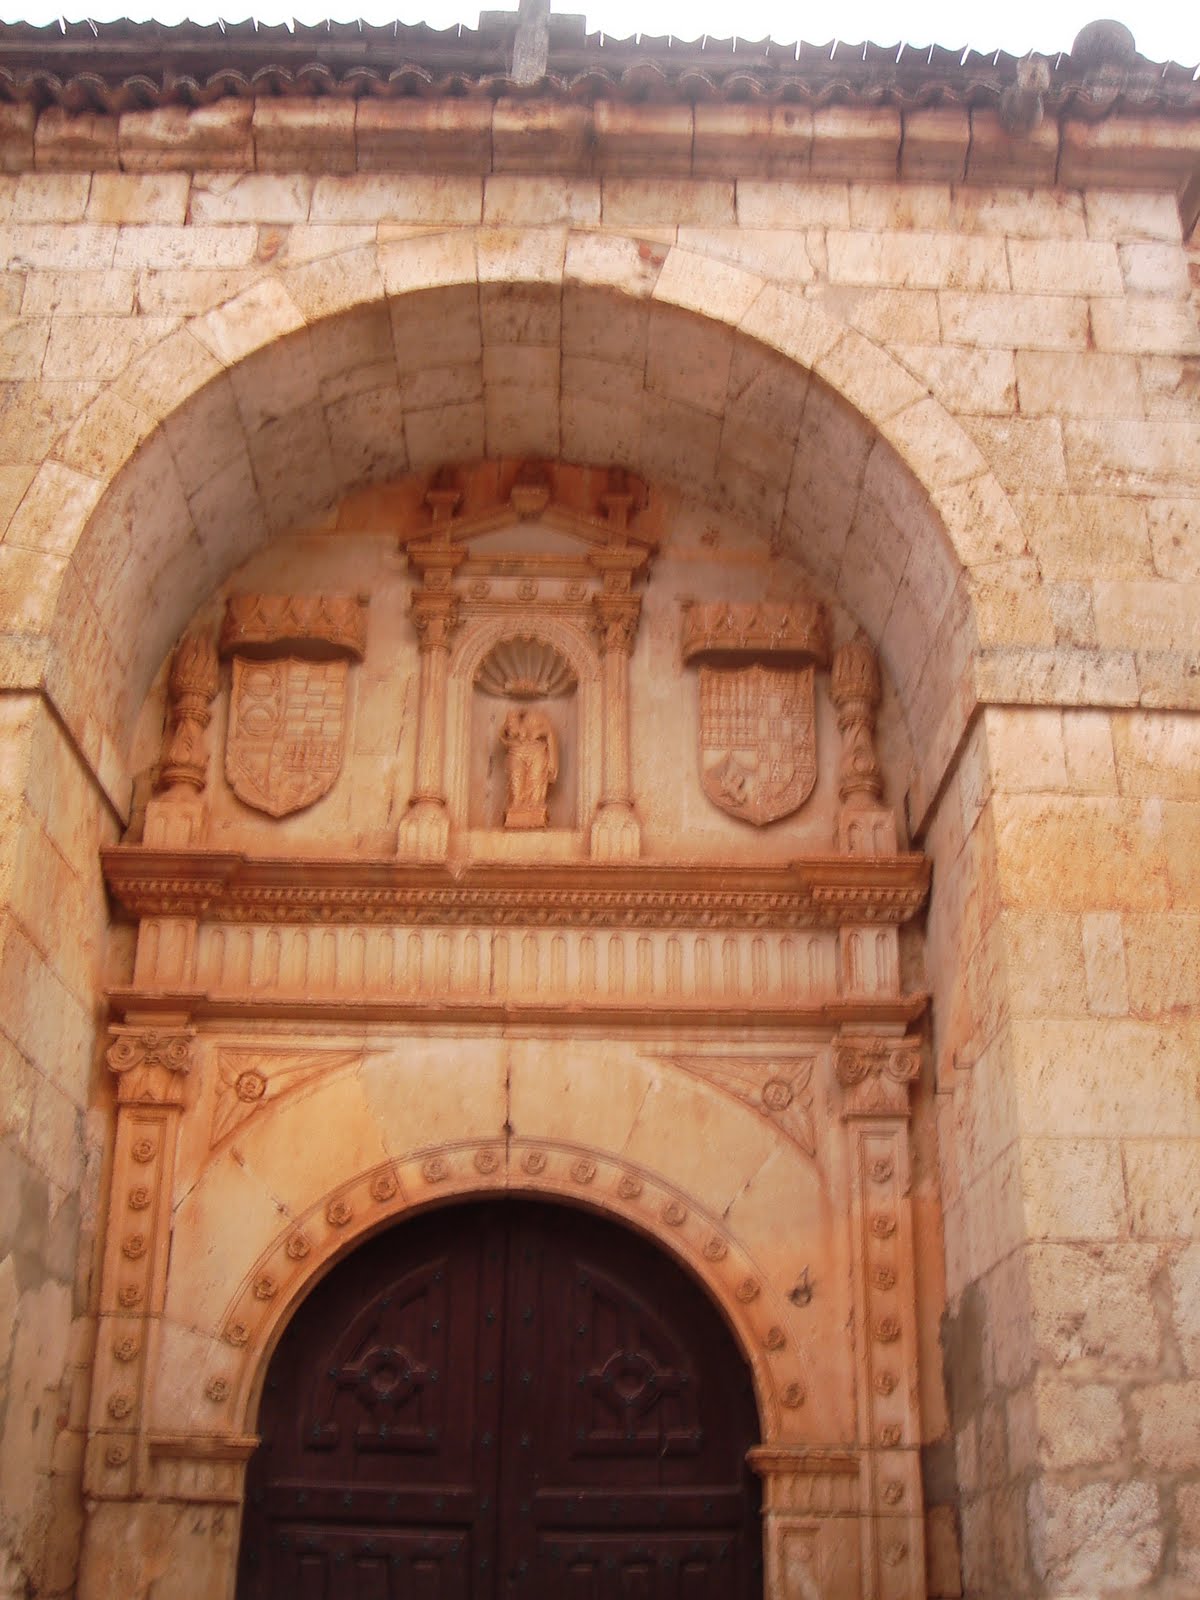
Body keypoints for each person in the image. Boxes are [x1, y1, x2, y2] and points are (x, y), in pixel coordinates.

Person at [501, 708, 558, 827]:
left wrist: (552, 761)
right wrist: (510, 733)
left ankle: (535, 806)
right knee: (516, 780)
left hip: (537, 751)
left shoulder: (539, 716)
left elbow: (549, 734)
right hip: (517, 751)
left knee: (536, 778)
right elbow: (504, 736)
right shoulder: (511, 717)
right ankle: (517, 806)